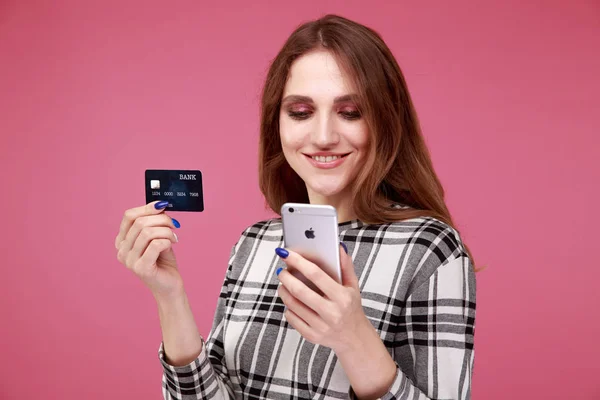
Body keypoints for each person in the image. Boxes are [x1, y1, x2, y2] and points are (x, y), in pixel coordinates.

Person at [115, 14, 477, 400]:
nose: (323, 137)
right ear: (278, 124)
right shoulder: (254, 243)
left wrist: (353, 337)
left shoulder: (430, 251)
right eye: (301, 112)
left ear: (385, 121)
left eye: (350, 112)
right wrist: (169, 296)